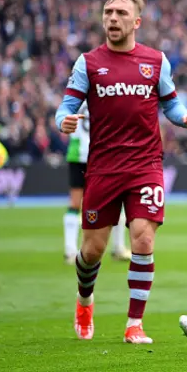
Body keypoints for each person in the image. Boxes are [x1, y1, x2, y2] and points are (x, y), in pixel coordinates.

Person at [55, 0, 187, 344]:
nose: (113, 19)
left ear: (136, 22)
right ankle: (85, 300)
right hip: (103, 166)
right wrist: (64, 121)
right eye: (108, 12)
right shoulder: (88, 63)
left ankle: (134, 324)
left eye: (120, 13)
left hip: (146, 164)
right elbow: (66, 106)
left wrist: (185, 119)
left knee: (143, 238)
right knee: (91, 251)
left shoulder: (156, 61)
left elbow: (171, 104)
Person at [63, 100, 131, 264]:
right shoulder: (103, 89)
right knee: (115, 198)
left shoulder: (75, 94)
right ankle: (118, 247)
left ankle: (70, 251)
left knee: (75, 203)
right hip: (101, 153)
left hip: (82, 153)